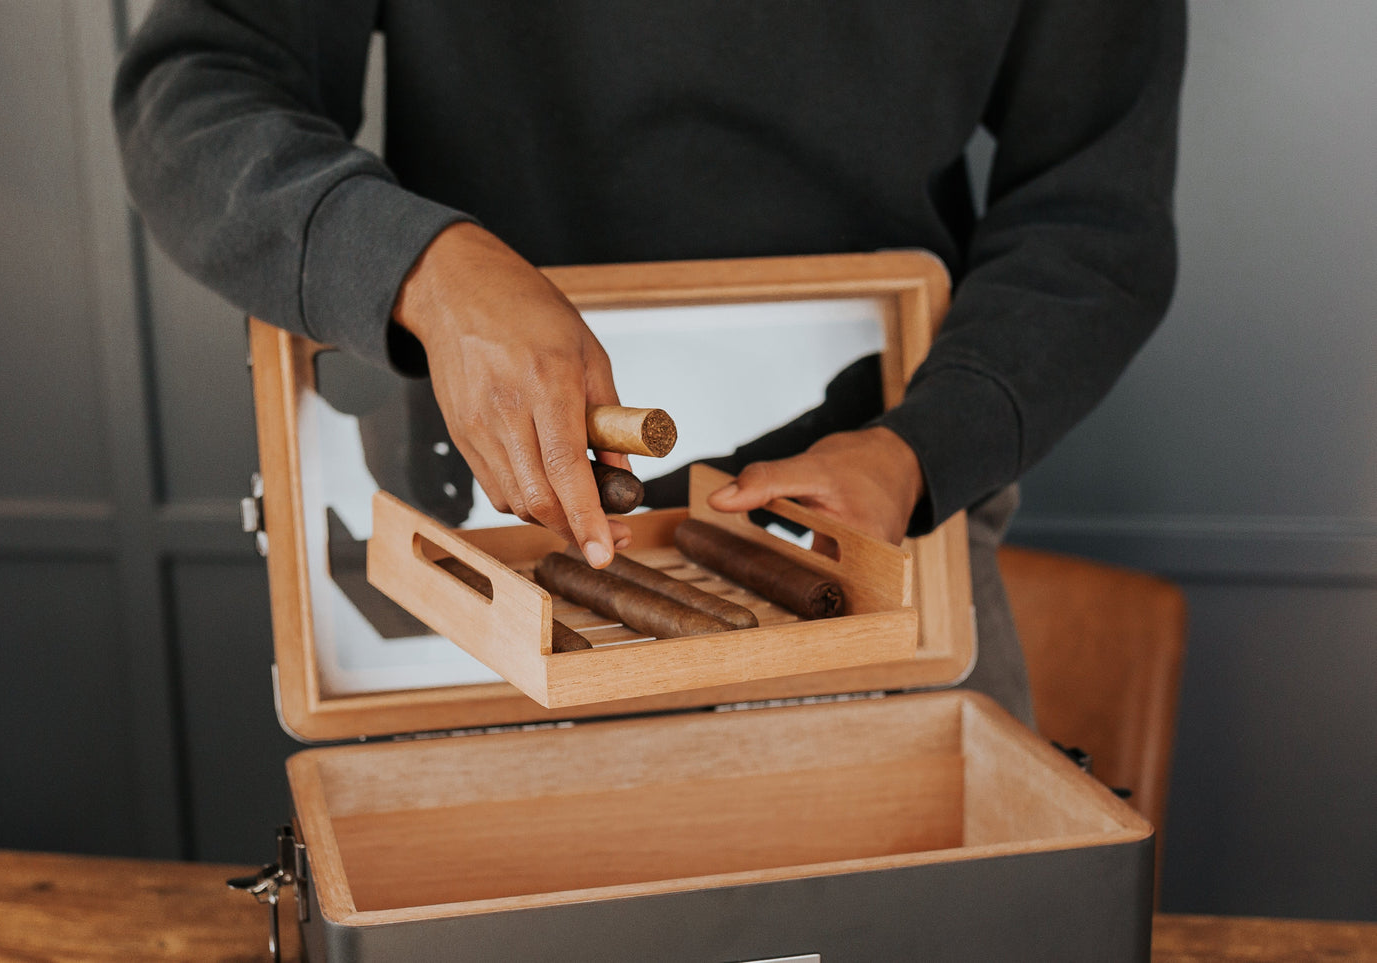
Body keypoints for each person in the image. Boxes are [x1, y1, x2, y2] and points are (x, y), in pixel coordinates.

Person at [114, 0, 1186, 725]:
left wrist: (922, 449)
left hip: (888, 502)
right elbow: (196, 90)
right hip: (496, 517)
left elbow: (1096, 218)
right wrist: (425, 270)